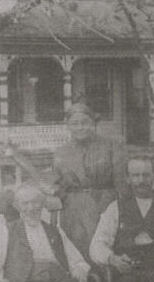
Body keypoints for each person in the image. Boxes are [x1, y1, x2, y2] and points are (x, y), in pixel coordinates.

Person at [53, 102, 126, 261]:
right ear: (68, 126)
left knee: (105, 247)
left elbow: (121, 183)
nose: (80, 127)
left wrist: (123, 210)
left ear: (93, 123)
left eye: (85, 122)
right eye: (75, 123)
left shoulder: (111, 146)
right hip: (73, 211)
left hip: (105, 205)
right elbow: (56, 186)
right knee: (78, 251)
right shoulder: (61, 152)